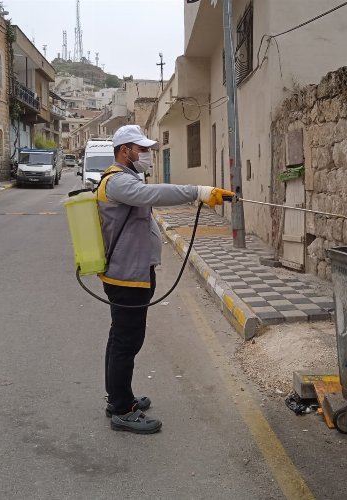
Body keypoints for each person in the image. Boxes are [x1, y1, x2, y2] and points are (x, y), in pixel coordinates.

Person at [96, 124, 234, 434]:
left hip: (131, 273)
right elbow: (153, 194)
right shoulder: (117, 182)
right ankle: (122, 409)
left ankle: (119, 396)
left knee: (120, 337)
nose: (146, 155)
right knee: (126, 341)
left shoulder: (126, 180)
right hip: (127, 277)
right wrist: (199, 192)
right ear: (124, 151)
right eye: (141, 149)